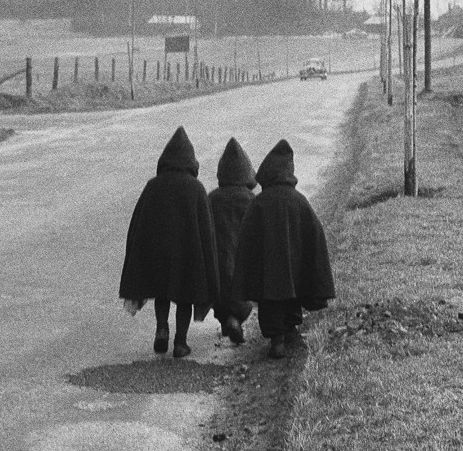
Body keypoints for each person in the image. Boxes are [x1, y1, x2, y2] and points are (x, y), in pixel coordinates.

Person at [119, 126, 220, 358]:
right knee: (184, 296)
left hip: (158, 252)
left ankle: (161, 329)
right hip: (187, 253)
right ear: (190, 161)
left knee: (162, 292)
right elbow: (207, 231)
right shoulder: (196, 189)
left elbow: (138, 226)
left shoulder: (152, 186)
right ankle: (180, 342)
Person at [230, 139, 335, 359]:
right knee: (292, 294)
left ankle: (276, 339)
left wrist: (247, 269)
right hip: (293, 271)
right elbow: (315, 233)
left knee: (270, 302)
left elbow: (246, 238)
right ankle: (290, 329)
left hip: (268, 272)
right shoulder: (299, 201)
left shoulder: (259, 203)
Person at [208, 137, 257, 345]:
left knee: (220, 293)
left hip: (218, 258)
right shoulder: (250, 200)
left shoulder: (212, 198)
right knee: (243, 293)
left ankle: (227, 318)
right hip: (242, 257)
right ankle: (235, 319)